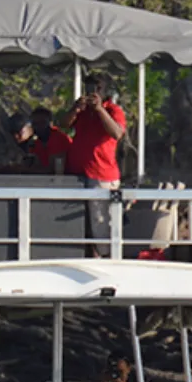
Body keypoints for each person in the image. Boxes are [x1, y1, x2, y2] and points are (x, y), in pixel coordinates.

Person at [63, 74, 125, 255]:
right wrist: (75, 109)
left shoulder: (113, 110)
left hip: (101, 176)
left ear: (105, 91)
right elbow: (63, 125)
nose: (93, 92)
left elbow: (116, 133)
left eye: (97, 88)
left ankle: (105, 258)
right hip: (77, 174)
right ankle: (83, 255)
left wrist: (100, 110)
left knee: (101, 224)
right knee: (78, 223)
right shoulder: (81, 111)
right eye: (89, 88)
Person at [10, 108, 69, 173]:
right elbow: (36, 165)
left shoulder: (58, 138)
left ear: (51, 123)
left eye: (43, 123)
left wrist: (23, 169)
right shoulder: (37, 142)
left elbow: (53, 170)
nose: (39, 126)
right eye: (35, 123)